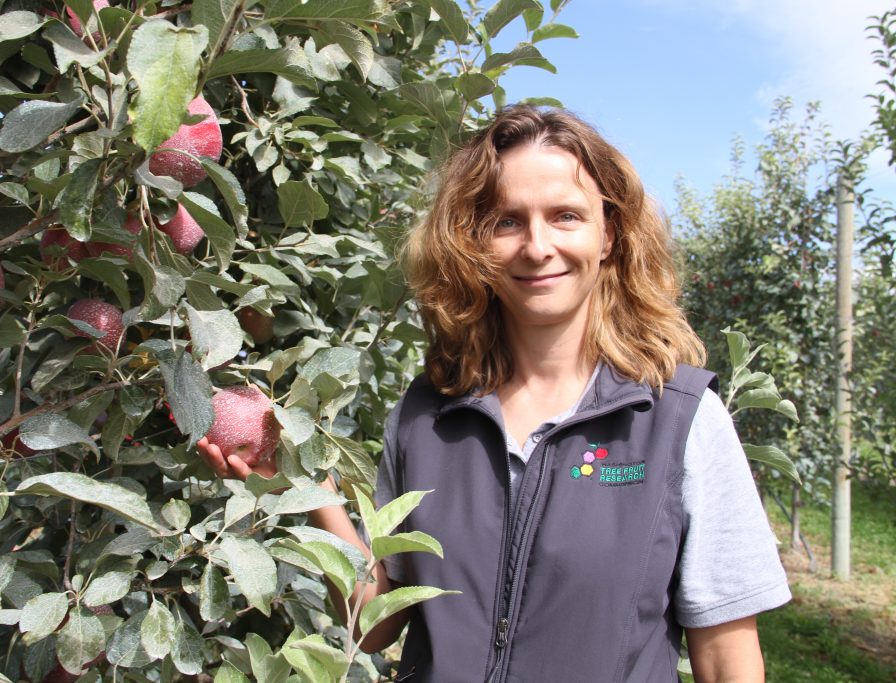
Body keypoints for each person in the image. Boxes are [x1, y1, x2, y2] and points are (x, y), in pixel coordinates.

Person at [199, 105, 791, 682]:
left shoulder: (677, 419)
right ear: (472, 243)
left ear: (609, 234)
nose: (537, 247)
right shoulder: (427, 417)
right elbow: (373, 625)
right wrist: (303, 489)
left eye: (566, 216)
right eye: (507, 221)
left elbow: (727, 659)